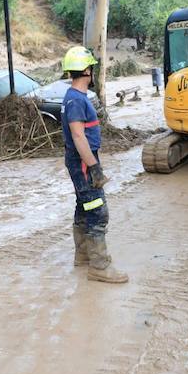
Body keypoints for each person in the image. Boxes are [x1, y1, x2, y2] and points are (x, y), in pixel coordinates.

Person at [60, 46, 129, 284]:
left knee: (83, 206)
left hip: (79, 160)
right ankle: (100, 266)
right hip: (83, 162)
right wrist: (94, 167)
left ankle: (83, 256)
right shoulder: (77, 101)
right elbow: (78, 136)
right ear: (87, 70)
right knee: (97, 210)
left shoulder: (73, 98)